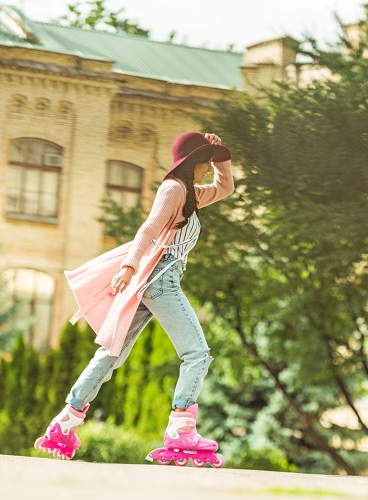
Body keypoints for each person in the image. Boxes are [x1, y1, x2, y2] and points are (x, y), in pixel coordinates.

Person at [34, 132, 234, 467]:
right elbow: (148, 228)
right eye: (206, 161)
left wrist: (220, 158)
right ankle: (181, 429)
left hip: (155, 279)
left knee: (112, 353)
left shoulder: (191, 194)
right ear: (193, 162)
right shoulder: (174, 190)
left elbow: (225, 187)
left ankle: (66, 422)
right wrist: (129, 266)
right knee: (197, 354)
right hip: (160, 280)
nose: (208, 170)